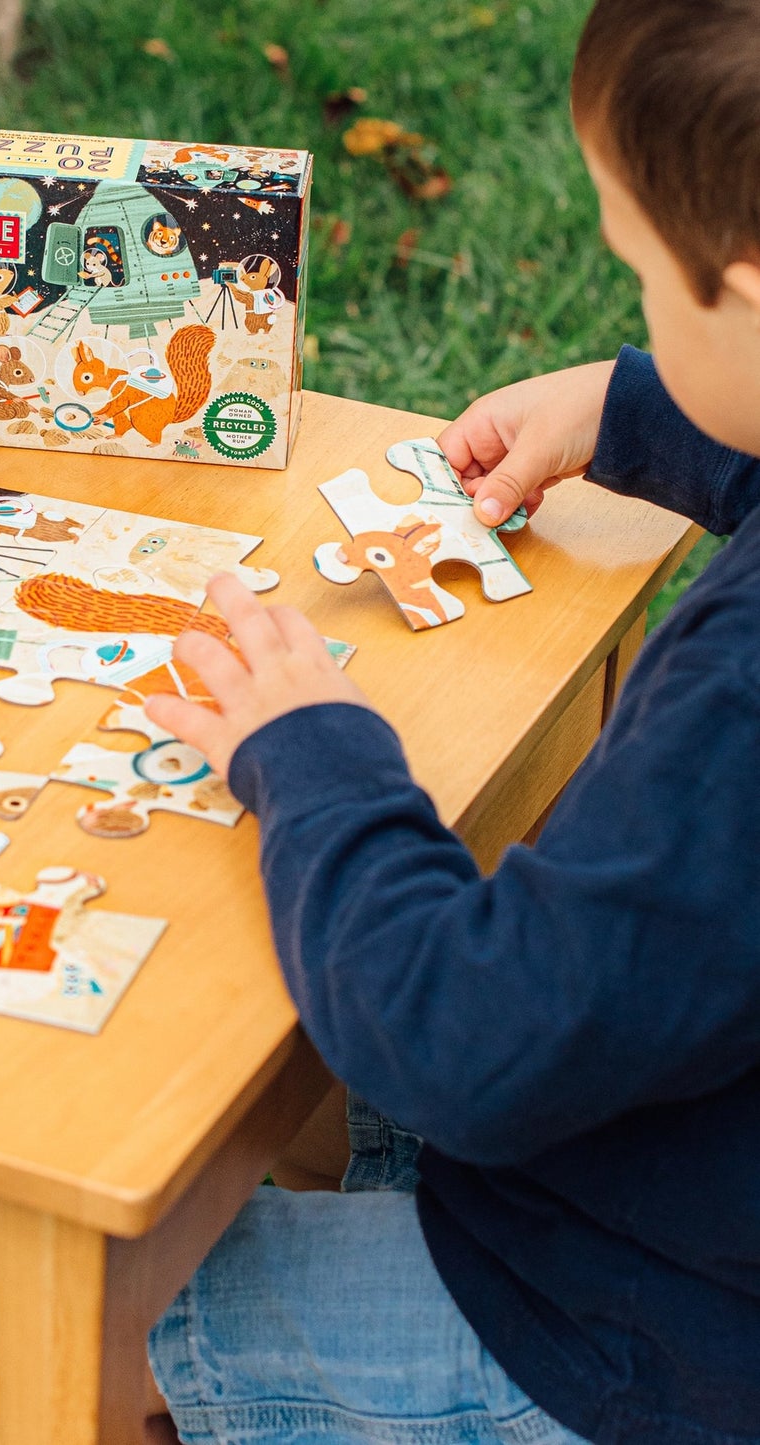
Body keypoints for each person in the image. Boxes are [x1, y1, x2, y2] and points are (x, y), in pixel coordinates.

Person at [142, 1, 760, 1441]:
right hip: (697, 1181)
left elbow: (465, 1043)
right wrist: (632, 405)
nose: (640, 318)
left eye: (639, 275)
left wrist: (309, 749)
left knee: (122, 1291)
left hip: (652, 1340)